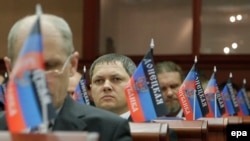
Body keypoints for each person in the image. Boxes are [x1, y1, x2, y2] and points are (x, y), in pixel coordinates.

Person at [0, 13, 132, 141]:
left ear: (72, 65)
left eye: (50, 66)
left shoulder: (108, 129)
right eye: (28, 67)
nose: (40, 79)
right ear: (10, 68)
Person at [89, 53, 136, 120]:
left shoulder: (152, 126)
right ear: (91, 90)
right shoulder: (77, 126)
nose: (106, 86)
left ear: (134, 86)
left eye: (116, 79)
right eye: (99, 81)